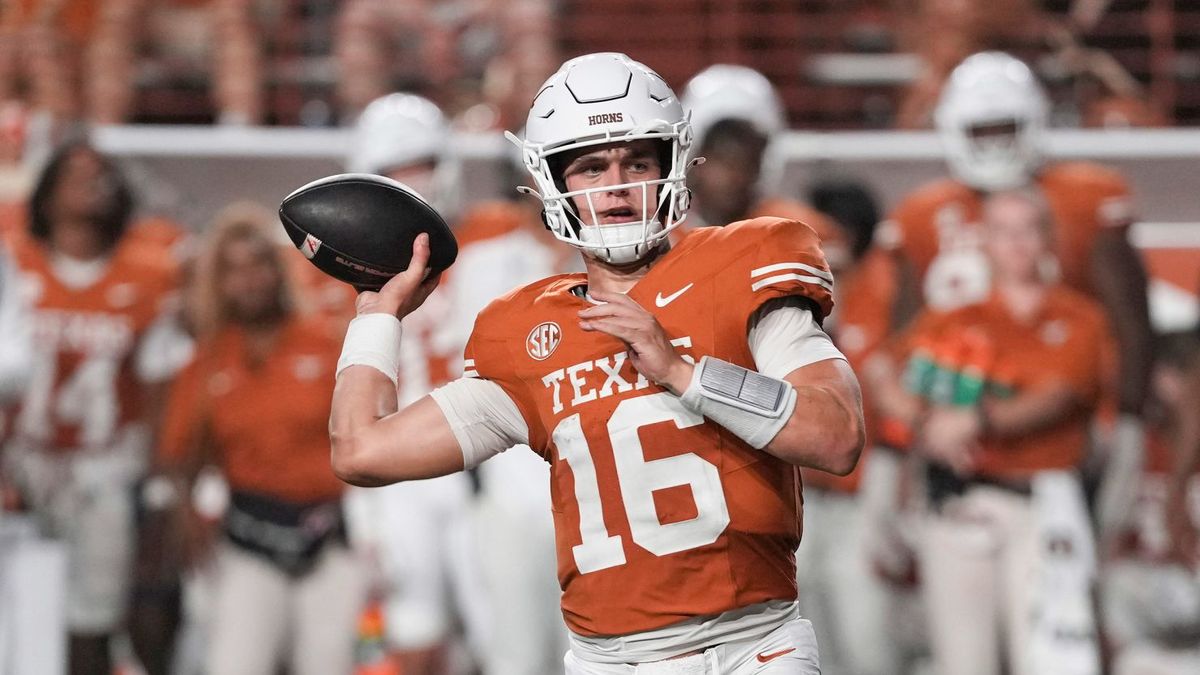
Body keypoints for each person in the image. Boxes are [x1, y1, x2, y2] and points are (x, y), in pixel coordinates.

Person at [330, 52, 864, 674]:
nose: (617, 183)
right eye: (590, 166)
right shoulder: (525, 330)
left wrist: (685, 374)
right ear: (553, 182)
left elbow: (837, 435)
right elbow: (360, 451)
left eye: (637, 160)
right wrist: (375, 315)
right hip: (609, 662)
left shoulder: (747, 260)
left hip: (751, 648)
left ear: (672, 163)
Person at [876, 51, 1152, 547]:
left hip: (1060, 435)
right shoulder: (921, 215)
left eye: (1006, 128)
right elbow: (902, 344)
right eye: (983, 130)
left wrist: (1128, 424)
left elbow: (1131, 322)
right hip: (953, 436)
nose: (996, 144)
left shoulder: (1084, 199)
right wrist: (910, 439)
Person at [870, 189, 1112, 675]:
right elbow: (882, 374)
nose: (1016, 243)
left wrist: (974, 421)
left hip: (1044, 505)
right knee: (963, 662)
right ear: (985, 241)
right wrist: (929, 426)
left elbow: (1059, 396)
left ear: (1048, 238)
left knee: (1055, 661)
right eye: (1003, 231)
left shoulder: (1080, 317)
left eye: (1027, 229)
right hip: (961, 499)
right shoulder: (954, 317)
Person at [151, 204, 367, 675]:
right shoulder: (207, 361)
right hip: (247, 539)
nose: (249, 280)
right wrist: (187, 514)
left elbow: (366, 434)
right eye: (234, 270)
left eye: (258, 264)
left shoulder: (323, 342)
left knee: (327, 664)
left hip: (327, 534)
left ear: (278, 269)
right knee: (236, 663)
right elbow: (179, 453)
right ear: (217, 281)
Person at [0, 139, 182, 675]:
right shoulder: (14, 259)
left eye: (101, 174)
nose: (91, 183)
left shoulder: (146, 271)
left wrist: (157, 481)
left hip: (102, 467)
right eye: (76, 174)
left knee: (92, 619)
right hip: (21, 461)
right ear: (47, 190)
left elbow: (158, 389)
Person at [679, 64, 835, 234]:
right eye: (722, 159)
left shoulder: (803, 232)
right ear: (694, 157)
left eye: (746, 161)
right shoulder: (659, 236)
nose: (734, 176)